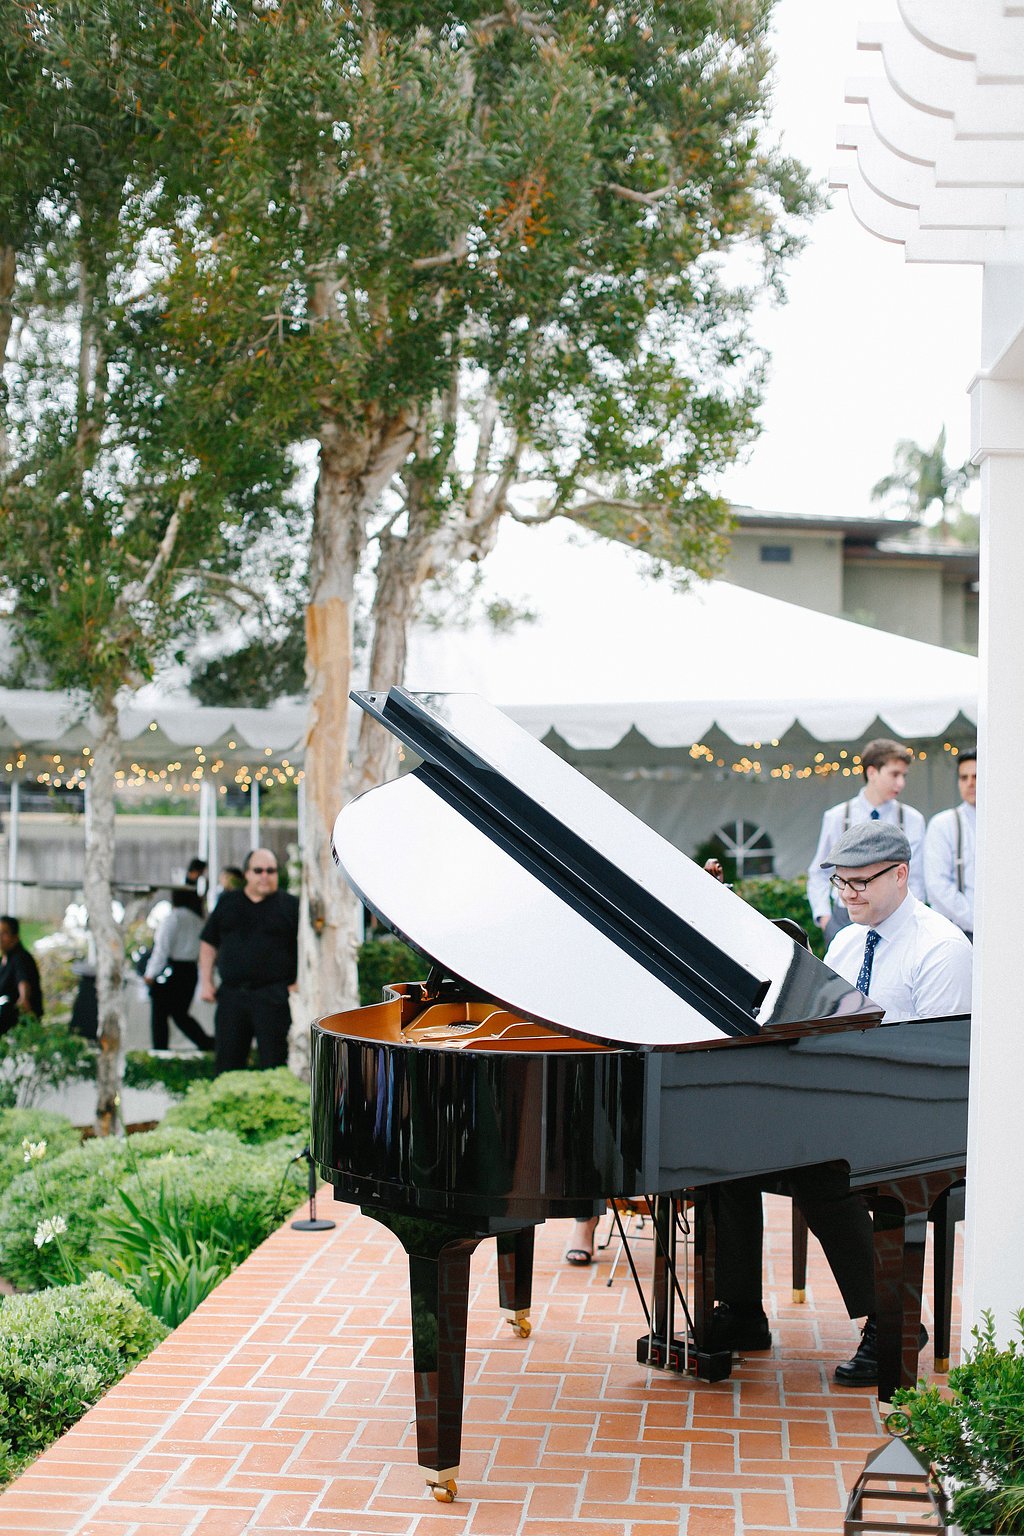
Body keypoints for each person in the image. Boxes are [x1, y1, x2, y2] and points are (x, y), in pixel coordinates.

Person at [709, 822, 972, 1387]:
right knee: (723, 1153)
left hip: (919, 1115)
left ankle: (893, 1323)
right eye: (840, 883)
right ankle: (741, 1312)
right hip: (848, 1105)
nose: (848, 894)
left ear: (900, 875)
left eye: (860, 883)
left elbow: (942, 1066)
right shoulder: (849, 941)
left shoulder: (943, 949)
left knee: (822, 1168)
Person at [806, 738, 926, 943]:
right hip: (844, 917)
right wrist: (825, 919)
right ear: (872, 772)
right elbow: (818, 872)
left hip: (894, 920)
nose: (901, 783)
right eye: (894, 774)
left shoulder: (912, 819)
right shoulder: (837, 816)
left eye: (903, 776)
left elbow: (915, 878)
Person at [198, 848, 299, 1073]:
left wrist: (298, 984)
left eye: (271, 871)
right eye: (258, 870)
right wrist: (206, 982)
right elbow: (208, 943)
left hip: (274, 996)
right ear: (246, 874)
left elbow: (307, 947)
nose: (265, 876)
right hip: (232, 995)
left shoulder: (291, 906)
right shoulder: (227, 902)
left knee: (275, 1065)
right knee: (227, 1065)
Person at [144, 888, 215, 1052]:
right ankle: (207, 1043)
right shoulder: (199, 921)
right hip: (190, 971)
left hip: (172, 971)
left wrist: (151, 973)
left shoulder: (174, 918)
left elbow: (162, 949)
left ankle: (160, 1050)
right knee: (180, 1014)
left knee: (160, 1014)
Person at [924, 749, 977, 939]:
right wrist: (976, 921)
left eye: (976, 776)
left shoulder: (1008, 822)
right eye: (964, 777)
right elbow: (937, 886)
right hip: (956, 931)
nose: (970, 783)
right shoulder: (943, 824)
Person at [0, 916, 43, 1035]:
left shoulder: (20, 958)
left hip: (16, 1022)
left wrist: (24, 998)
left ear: (15, 937)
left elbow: (23, 980)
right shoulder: (4, 959)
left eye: (4, 933)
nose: (0, 937)